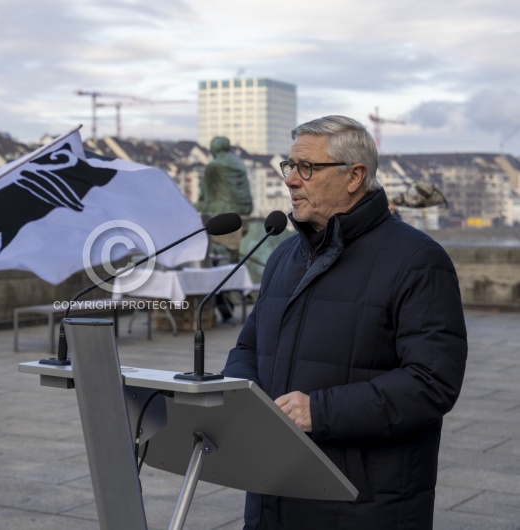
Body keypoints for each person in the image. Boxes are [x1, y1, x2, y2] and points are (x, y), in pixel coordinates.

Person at [222, 116, 467, 529]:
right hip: (274, 492)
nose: (291, 180)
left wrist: (319, 411)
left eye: (307, 168)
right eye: (290, 166)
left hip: (363, 503)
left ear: (354, 176)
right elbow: (249, 346)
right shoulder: (283, 256)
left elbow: (432, 382)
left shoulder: (417, 260)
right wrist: (241, 398)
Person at [196, 136, 254, 322]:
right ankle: (224, 304)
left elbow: (206, 196)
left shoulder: (214, 166)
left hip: (222, 209)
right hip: (244, 208)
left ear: (213, 149)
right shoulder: (238, 162)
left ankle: (221, 304)